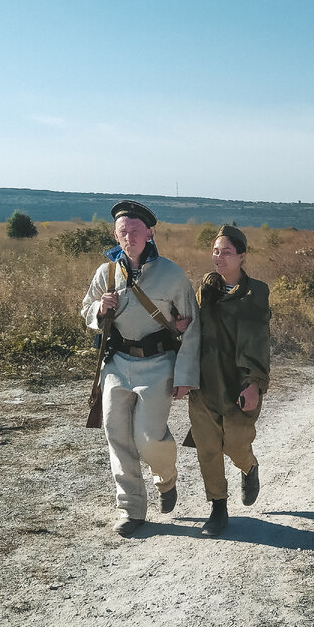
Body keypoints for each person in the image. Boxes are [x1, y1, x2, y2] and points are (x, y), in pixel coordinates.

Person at [81, 200, 200, 538]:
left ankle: (166, 477)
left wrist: (186, 376)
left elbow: (192, 327)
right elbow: (86, 310)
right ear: (115, 235)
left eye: (135, 230)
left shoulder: (172, 274)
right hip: (116, 364)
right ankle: (131, 509)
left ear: (149, 233)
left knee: (147, 438)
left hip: (159, 364)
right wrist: (100, 310)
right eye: (122, 231)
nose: (128, 236)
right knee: (117, 437)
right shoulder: (105, 273)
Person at [188, 226, 271, 537]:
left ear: (242, 256)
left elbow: (260, 341)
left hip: (239, 383)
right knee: (208, 447)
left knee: (236, 444)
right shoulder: (204, 290)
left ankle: (249, 468)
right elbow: (191, 333)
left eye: (225, 252)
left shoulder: (256, 293)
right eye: (214, 251)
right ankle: (218, 507)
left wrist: (255, 383)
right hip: (205, 381)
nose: (217, 257)